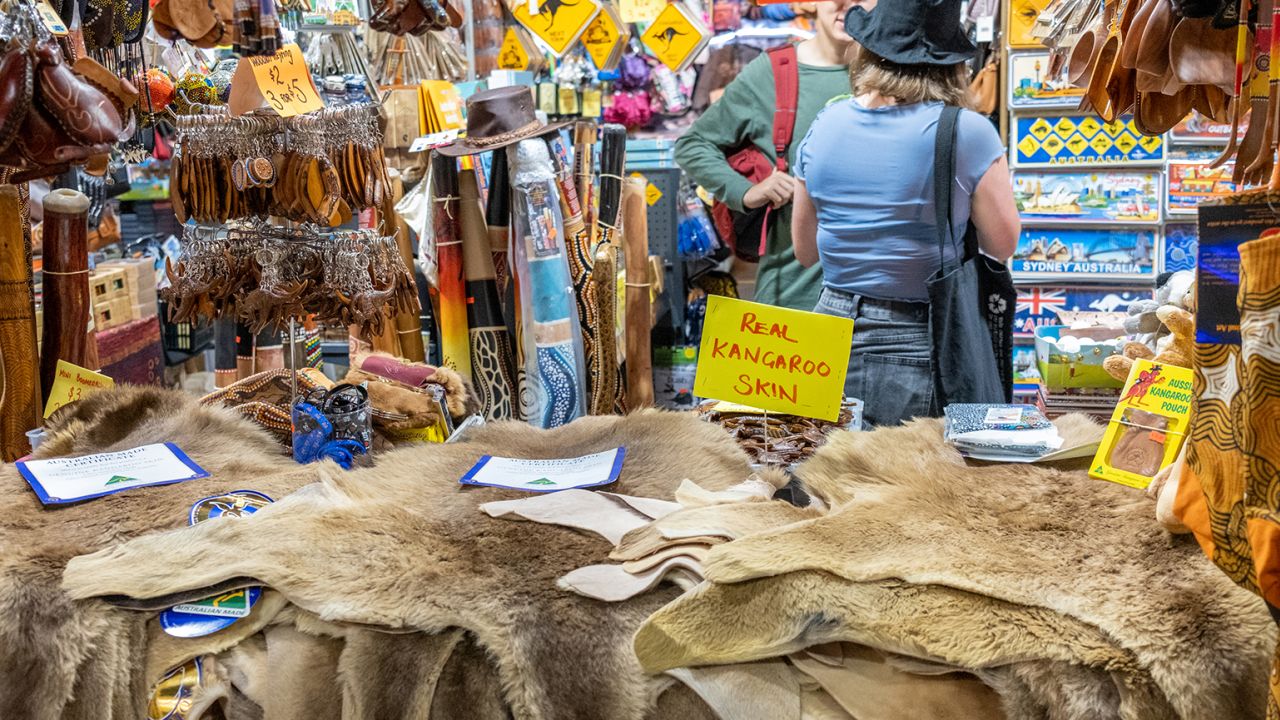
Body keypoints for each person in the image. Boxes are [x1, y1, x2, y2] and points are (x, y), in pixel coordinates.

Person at [791, 0, 1020, 427]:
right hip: (917, 339)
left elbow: (805, 251)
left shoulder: (825, 123)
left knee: (825, 483)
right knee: (910, 488)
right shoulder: (965, 132)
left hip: (826, 332)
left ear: (870, 51)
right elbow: (1002, 243)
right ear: (952, 65)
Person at [674, 0, 863, 312]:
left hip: (879, 310)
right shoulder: (775, 74)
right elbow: (694, 144)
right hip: (793, 295)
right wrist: (746, 192)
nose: (849, 6)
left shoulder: (893, 73)